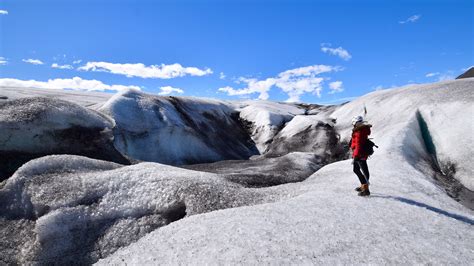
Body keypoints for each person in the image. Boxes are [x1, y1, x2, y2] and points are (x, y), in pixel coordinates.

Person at [350, 115, 372, 196]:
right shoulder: (360, 129)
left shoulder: (359, 131)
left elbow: (358, 144)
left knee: (361, 169)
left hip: (360, 153)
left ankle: (366, 189)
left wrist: (356, 155)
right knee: (358, 169)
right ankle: (363, 185)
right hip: (360, 152)